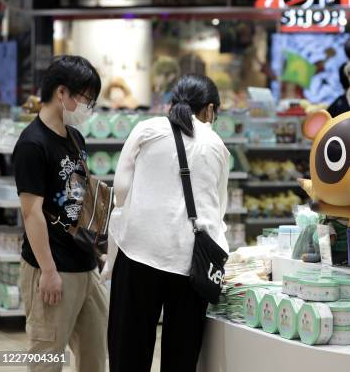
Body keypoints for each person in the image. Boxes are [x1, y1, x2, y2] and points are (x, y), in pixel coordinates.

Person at [108, 75, 230, 372]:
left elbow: (120, 190)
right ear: (210, 110)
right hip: (191, 264)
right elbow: (219, 207)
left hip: (138, 252)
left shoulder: (147, 129)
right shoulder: (217, 145)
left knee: (128, 350)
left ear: (172, 101)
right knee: (181, 355)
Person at [13, 55, 107, 372]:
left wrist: (99, 245)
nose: (89, 108)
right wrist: (49, 271)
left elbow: (80, 197)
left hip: (85, 264)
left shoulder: (75, 137)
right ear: (62, 93)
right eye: (86, 99)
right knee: (47, 357)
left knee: (95, 353)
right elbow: (31, 214)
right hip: (52, 268)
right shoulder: (32, 144)